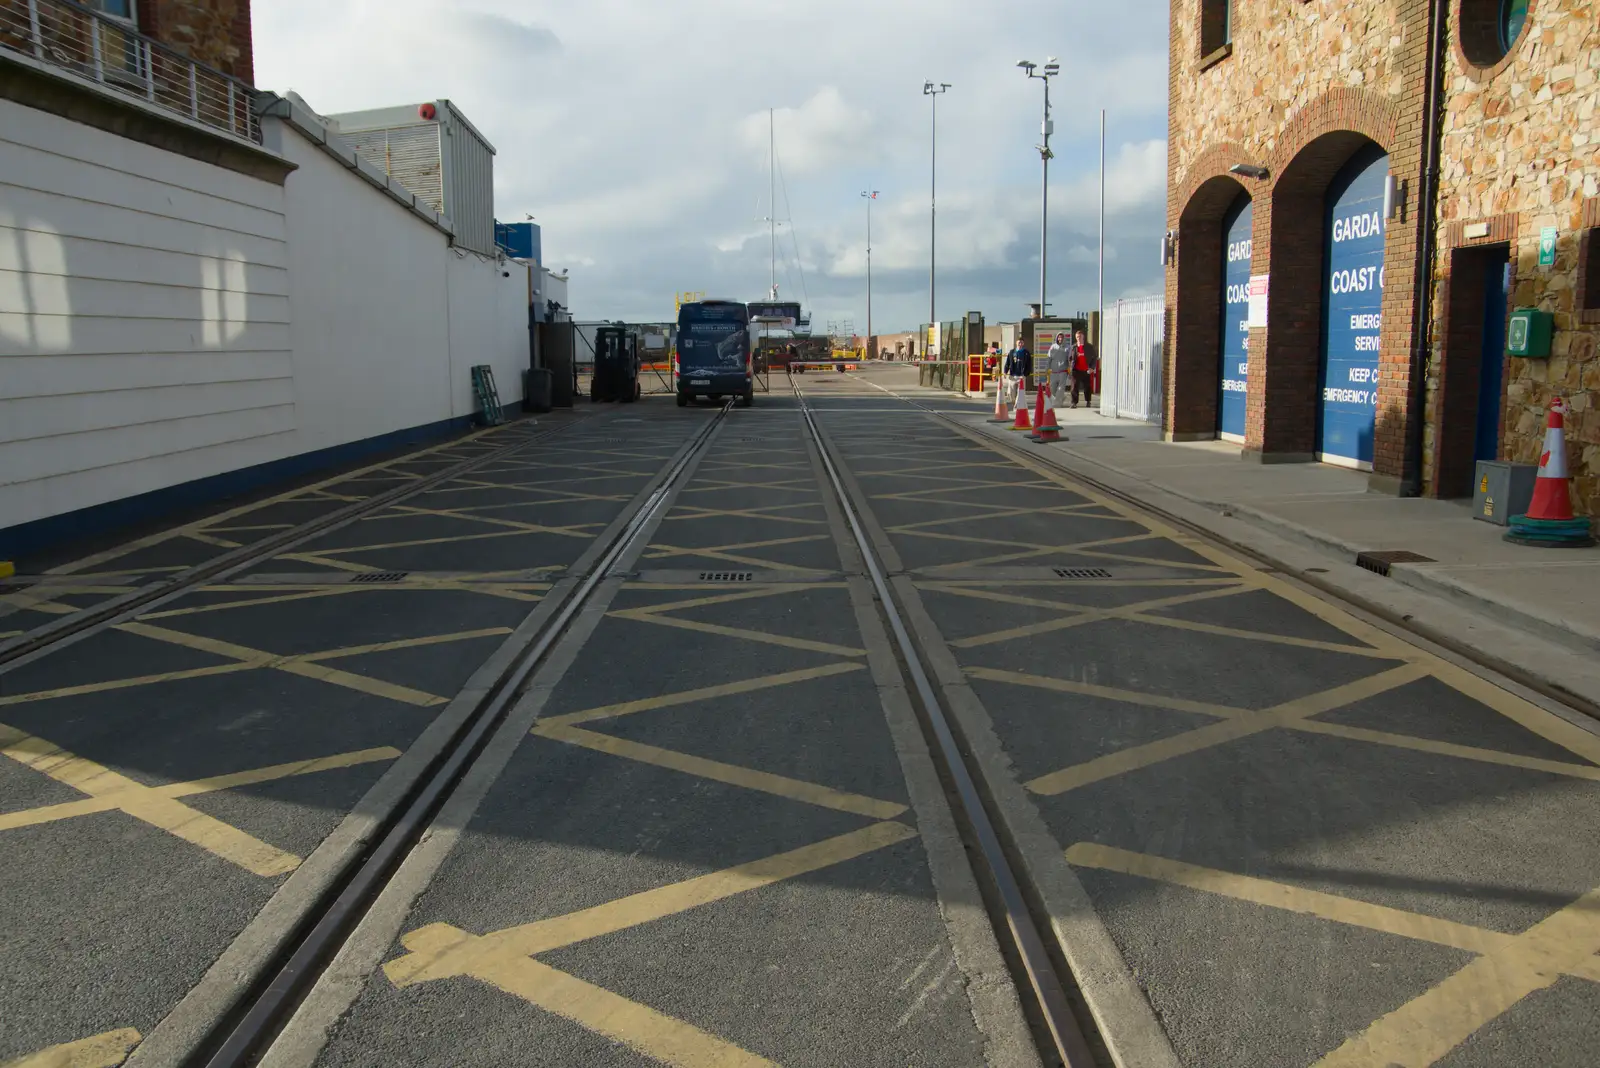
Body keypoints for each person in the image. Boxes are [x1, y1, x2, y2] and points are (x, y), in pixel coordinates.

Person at [1071, 328, 1098, 408]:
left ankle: (1088, 401)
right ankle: (1074, 403)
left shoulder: (1089, 347)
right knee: (1074, 387)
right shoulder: (1074, 347)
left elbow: (1094, 358)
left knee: (1087, 387)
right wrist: (1071, 366)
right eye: (1077, 337)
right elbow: (1070, 358)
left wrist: (1092, 368)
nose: (1078, 338)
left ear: (1083, 337)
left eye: (1080, 337)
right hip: (1076, 370)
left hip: (1086, 370)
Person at [1046, 332, 1071, 408]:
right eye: (1059, 337)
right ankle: (1062, 398)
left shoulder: (1067, 347)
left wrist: (1070, 370)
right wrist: (1047, 368)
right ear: (1057, 338)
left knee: (1060, 389)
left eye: (1061, 337)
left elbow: (1069, 359)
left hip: (1063, 371)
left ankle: (1058, 403)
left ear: (1064, 338)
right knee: (1052, 388)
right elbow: (1049, 358)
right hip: (1054, 371)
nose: (1060, 339)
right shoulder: (1053, 347)